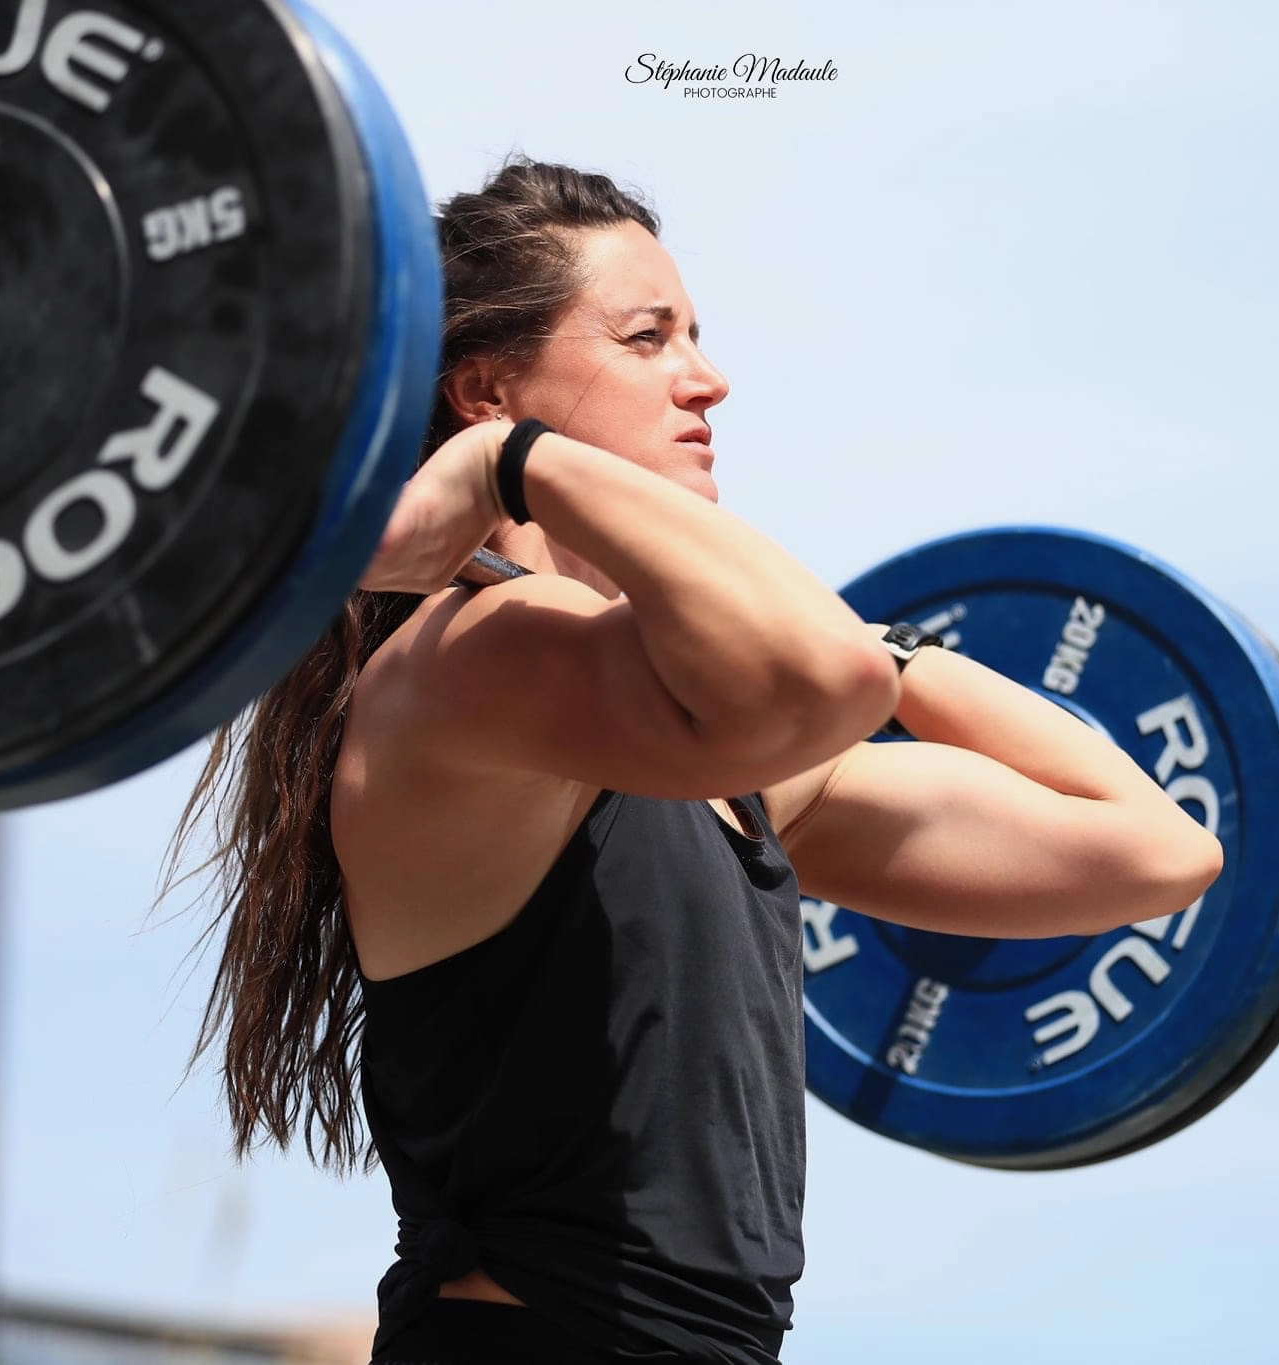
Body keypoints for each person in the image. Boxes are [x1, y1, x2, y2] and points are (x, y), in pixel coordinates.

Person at [175, 158, 1221, 1364]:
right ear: (485, 390)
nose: (706, 378)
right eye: (646, 338)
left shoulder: (723, 766)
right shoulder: (479, 658)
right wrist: (514, 464)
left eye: (694, 336)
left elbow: (1154, 853)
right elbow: (819, 679)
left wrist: (898, 653)